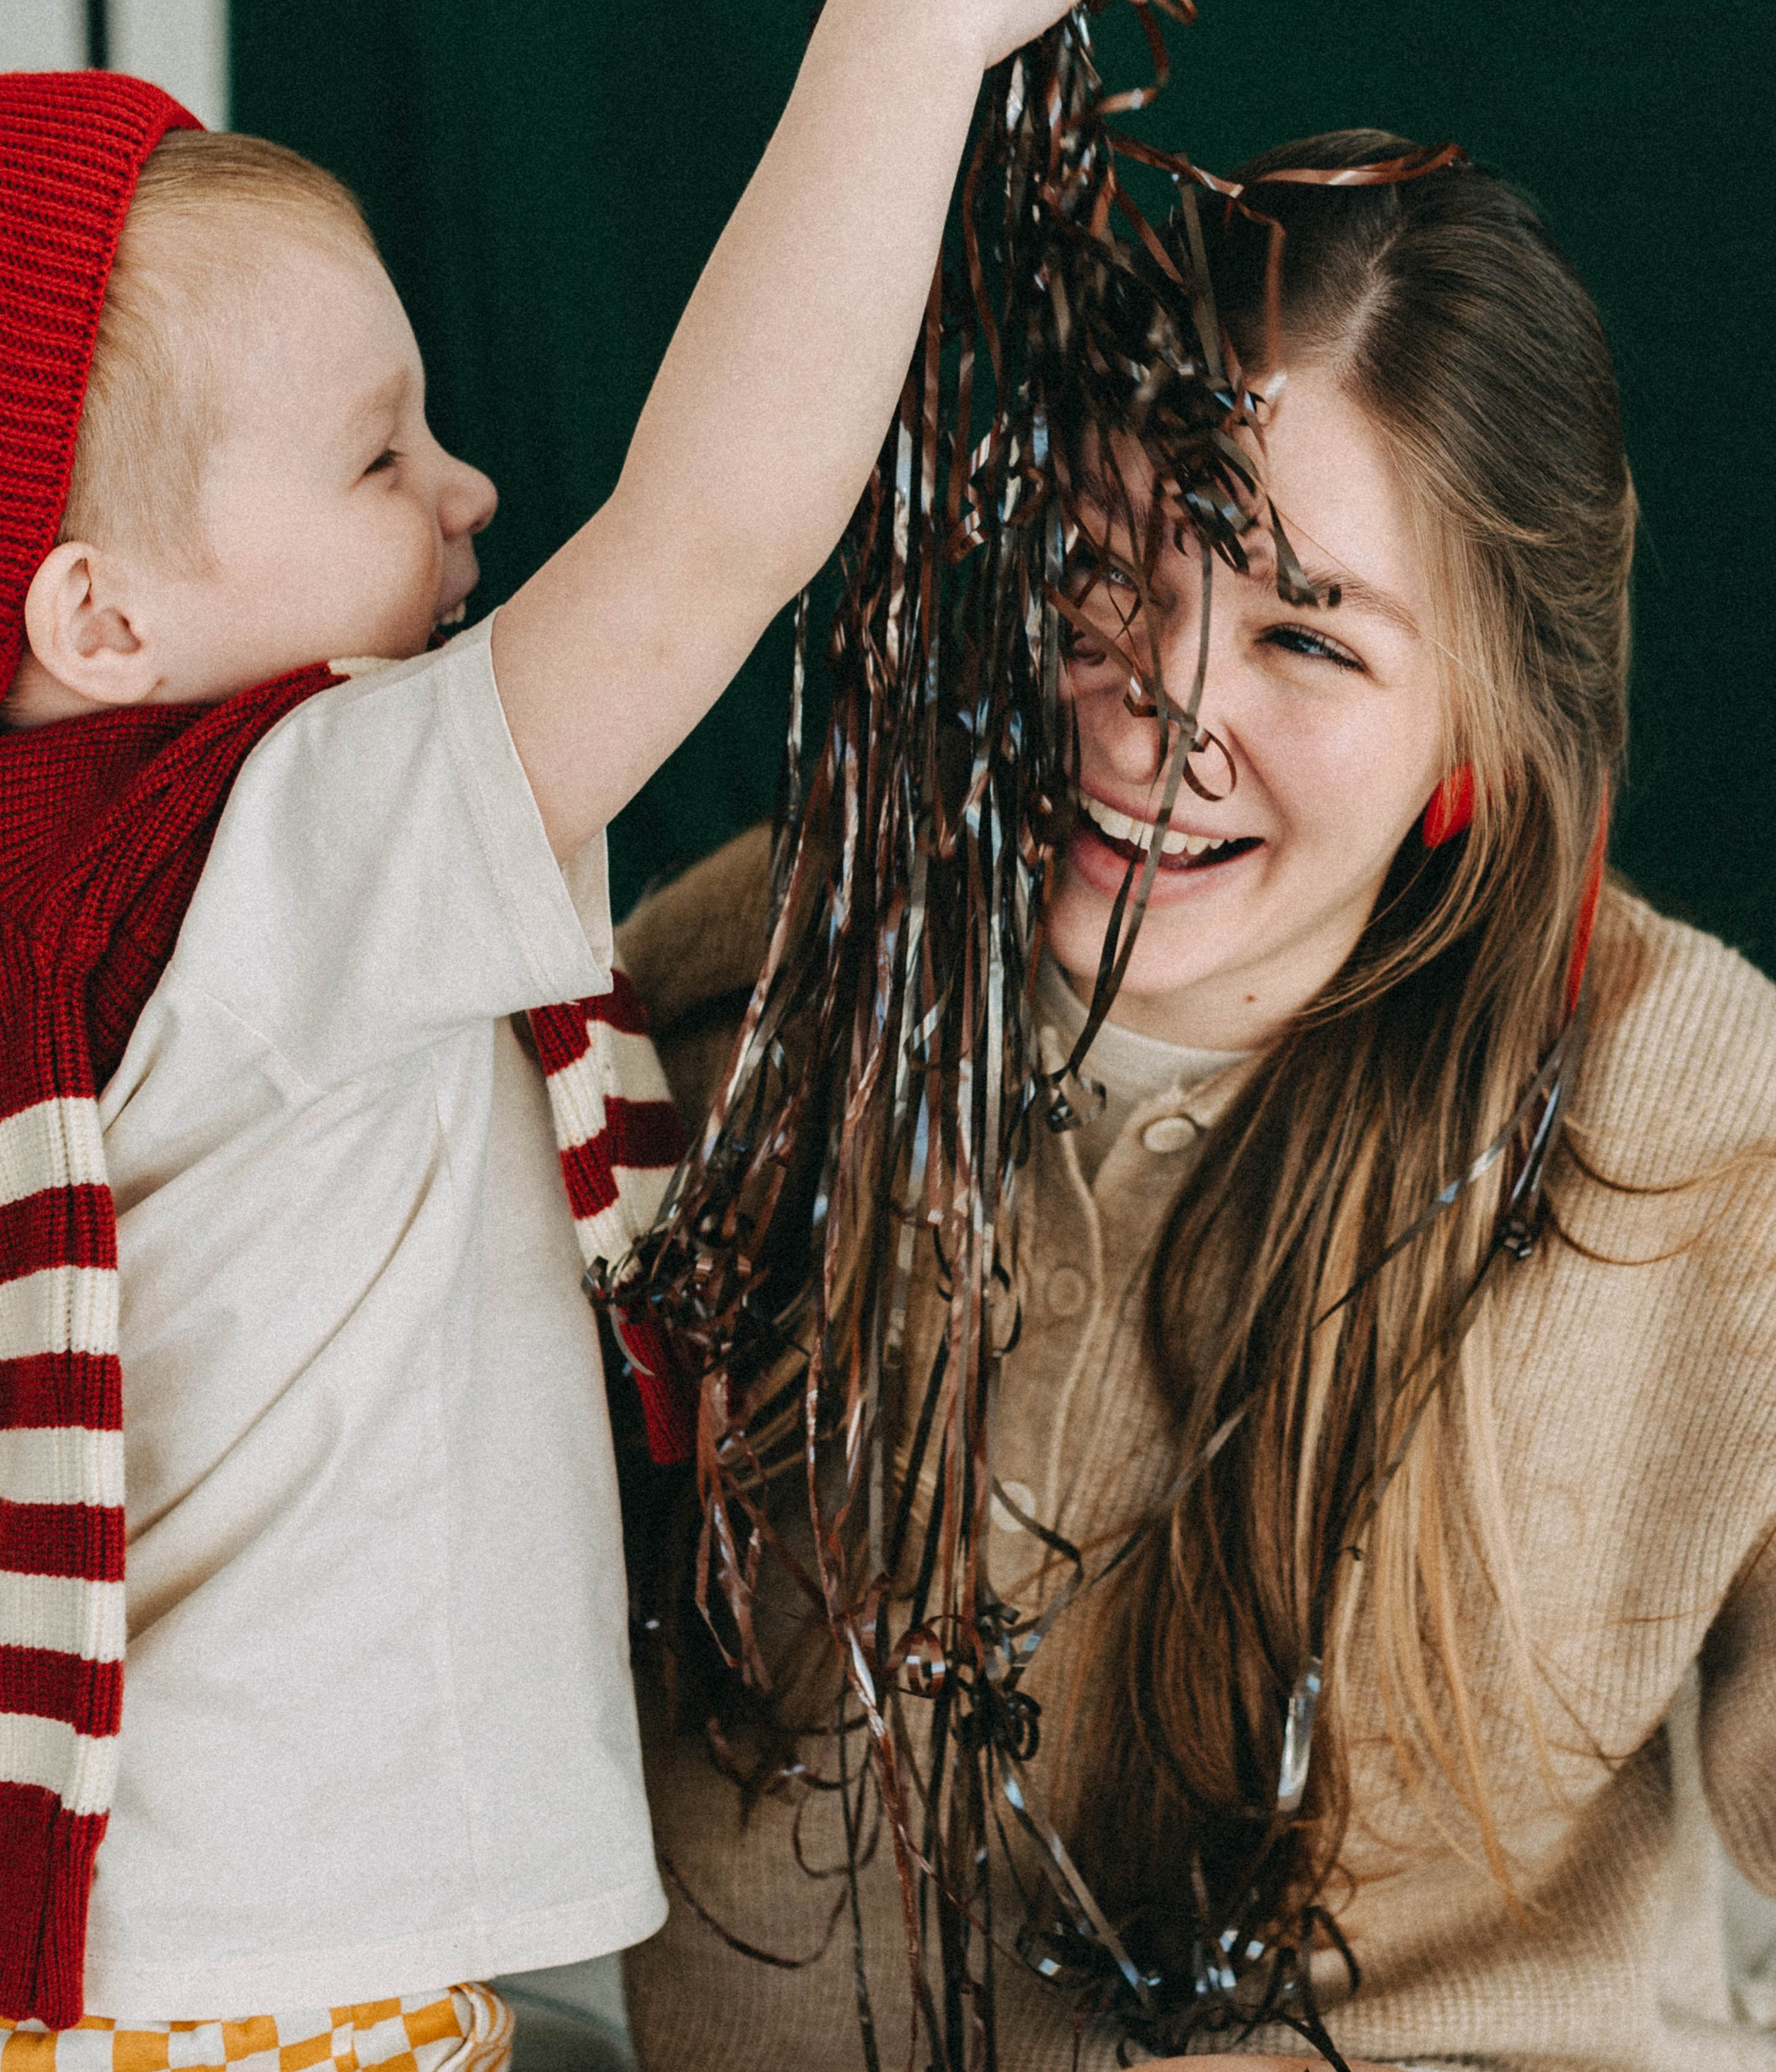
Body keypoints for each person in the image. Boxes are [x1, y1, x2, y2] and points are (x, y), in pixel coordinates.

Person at [0, 0, 1151, 2059]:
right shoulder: (256, 844)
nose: (471, 490)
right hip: (259, 2003)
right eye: (378, 455)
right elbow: (710, 532)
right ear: (104, 619)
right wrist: (899, 21)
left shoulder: (45, 911)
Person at [617, 139, 1776, 2069]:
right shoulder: (758, 986)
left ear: (1482, 731)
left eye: (1309, 636)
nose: (1161, 695)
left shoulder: (1699, 1132)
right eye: (1104, 567)